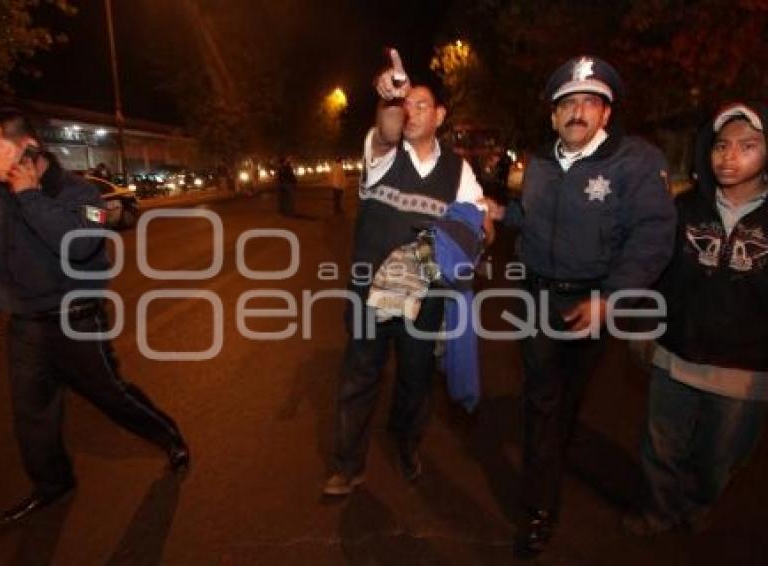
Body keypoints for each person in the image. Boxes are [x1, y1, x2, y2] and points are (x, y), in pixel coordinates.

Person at [485, 56, 676, 558]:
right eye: (567, 103)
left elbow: (654, 238)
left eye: (589, 102)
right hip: (538, 297)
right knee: (541, 399)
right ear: (553, 116)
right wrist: (502, 212)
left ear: (606, 114)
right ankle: (539, 509)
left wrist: (610, 298)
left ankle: (552, 451)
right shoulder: (540, 162)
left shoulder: (637, 162)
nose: (577, 112)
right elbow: (531, 218)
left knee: (568, 397)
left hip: (593, 299)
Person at [0, 108, 189, 525]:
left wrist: (30, 197)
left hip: (77, 322)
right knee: (32, 414)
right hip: (27, 325)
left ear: (27, 148)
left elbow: (81, 244)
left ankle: (168, 436)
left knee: (113, 396)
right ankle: (53, 484)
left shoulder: (82, 195)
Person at [323, 49, 492, 496]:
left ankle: (407, 442)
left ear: (439, 115)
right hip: (370, 291)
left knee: (415, 381)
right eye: (406, 104)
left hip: (426, 296)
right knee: (360, 374)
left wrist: (478, 230)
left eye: (421, 105)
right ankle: (348, 465)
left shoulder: (459, 170)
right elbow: (385, 131)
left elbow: (480, 226)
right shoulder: (382, 152)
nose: (411, 112)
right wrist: (389, 101)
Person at [623, 103, 768, 537]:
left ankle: (698, 501)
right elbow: (656, 270)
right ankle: (658, 512)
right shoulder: (685, 209)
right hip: (676, 352)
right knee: (662, 446)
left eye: (747, 146)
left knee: (718, 458)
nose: (729, 156)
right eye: (721, 145)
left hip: (745, 370)